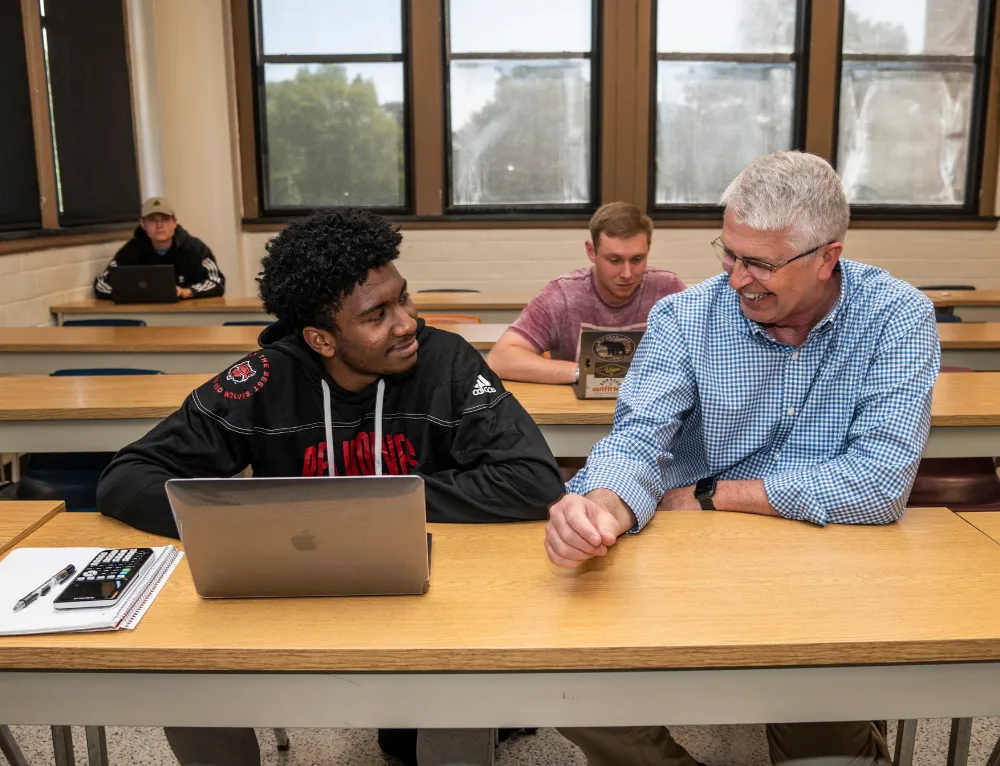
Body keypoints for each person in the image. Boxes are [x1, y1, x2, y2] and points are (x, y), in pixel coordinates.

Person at [97, 208, 565, 766]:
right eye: (378, 315)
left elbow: (533, 481)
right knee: (182, 673)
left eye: (404, 299)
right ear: (320, 337)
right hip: (291, 584)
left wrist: (368, 506)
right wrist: (249, 521)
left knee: (450, 693)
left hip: (424, 588)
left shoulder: (446, 362)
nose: (407, 323)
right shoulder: (266, 378)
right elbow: (126, 479)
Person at [545, 152, 940, 766]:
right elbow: (638, 437)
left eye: (760, 262)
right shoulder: (684, 316)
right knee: (565, 675)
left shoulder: (897, 317)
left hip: (827, 564)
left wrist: (710, 495)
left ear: (827, 256)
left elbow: (879, 482)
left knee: (822, 731)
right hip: (693, 560)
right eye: (728, 253)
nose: (736, 279)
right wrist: (601, 505)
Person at [486, 202, 685, 384]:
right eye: (614, 260)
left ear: (648, 248)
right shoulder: (563, 295)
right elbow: (500, 358)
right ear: (591, 251)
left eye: (637, 259)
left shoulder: (668, 289)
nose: (627, 274)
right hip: (581, 415)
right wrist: (590, 373)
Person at [94, 196, 225, 300]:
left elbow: (216, 281)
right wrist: (129, 293)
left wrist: (187, 292)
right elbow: (101, 283)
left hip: (188, 317)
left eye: (165, 219)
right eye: (152, 220)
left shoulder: (195, 249)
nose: (159, 225)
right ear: (143, 224)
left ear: (174, 222)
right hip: (144, 319)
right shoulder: (131, 250)